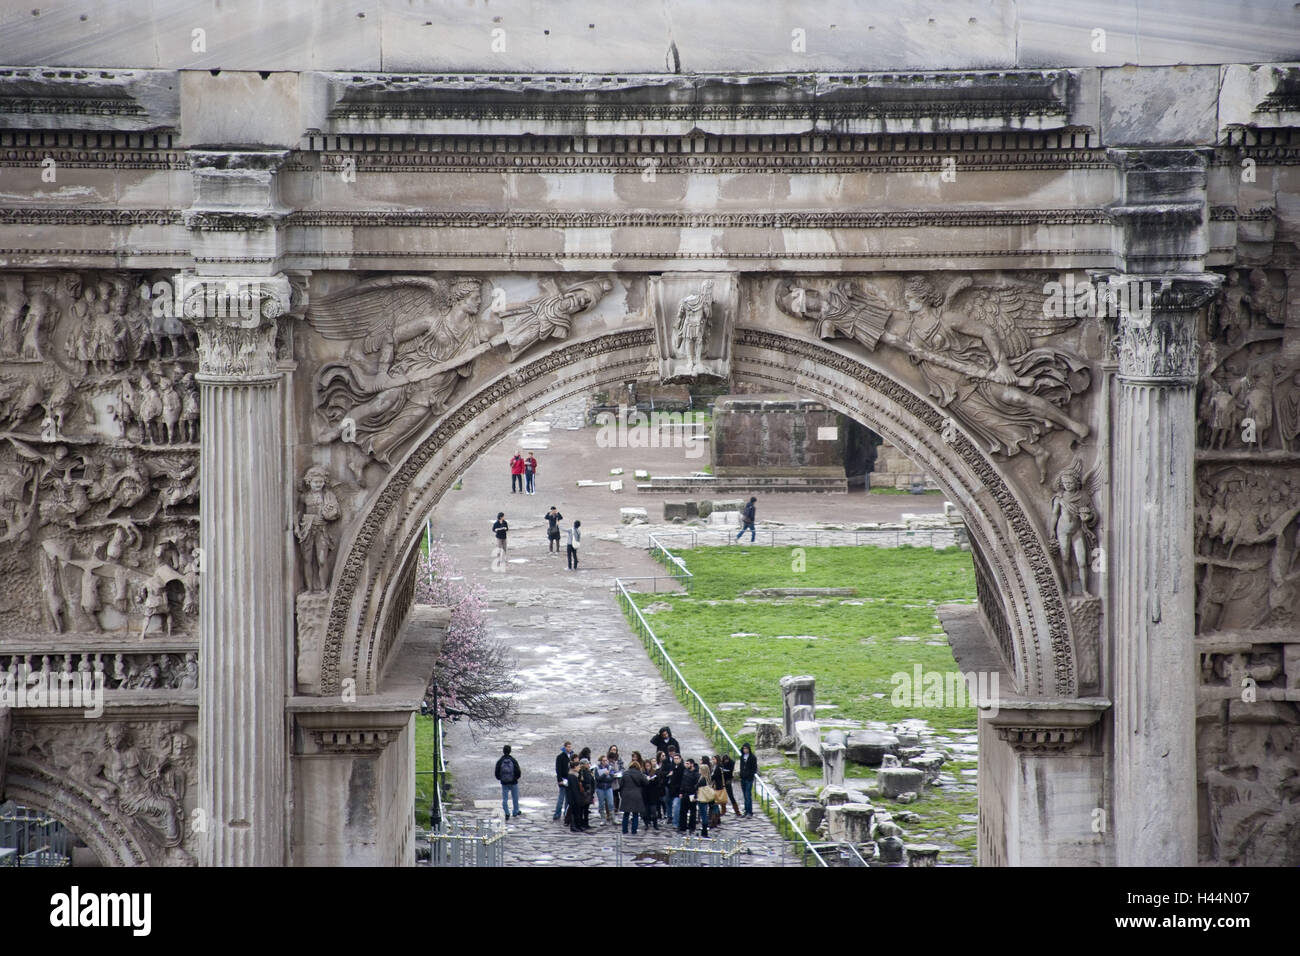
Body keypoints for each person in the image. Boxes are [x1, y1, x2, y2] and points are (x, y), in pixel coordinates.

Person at [620, 758, 649, 835]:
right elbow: (646, 783)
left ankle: (624, 830)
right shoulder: (640, 774)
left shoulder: (625, 774)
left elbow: (621, 785)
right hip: (636, 795)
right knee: (635, 814)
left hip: (626, 795)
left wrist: (622, 794)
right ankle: (634, 830)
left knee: (626, 814)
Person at [494, 744, 522, 820]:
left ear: (503, 751)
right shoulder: (513, 760)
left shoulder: (500, 761)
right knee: (515, 798)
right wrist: (516, 778)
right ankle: (515, 811)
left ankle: (506, 812)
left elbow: (496, 772)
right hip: (513, 782)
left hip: (504, 783)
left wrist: (500, 779)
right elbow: (518, 771)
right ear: (510, 751)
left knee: (505, 799)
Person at [678, 758, 701, 833]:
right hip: (685, 793)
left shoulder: (697, 774)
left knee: (693, 812)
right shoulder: (685, 771)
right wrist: (681, 792)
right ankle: (682, 827)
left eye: (687, 763)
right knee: (683, 811)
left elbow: (697, 786)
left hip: (692, 794)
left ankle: (692, 827)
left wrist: (695, 795)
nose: (686, 765)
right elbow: (682, 782)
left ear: (692, 764)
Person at [554, 741, 574, 821]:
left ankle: (566, 814)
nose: (569, 748)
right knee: (561, 798)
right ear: (565, 747)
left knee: (568, 799)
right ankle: (557, 814)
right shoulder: (560, 757)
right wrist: (559, 780)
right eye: (568, 747)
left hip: (570, 779)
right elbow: (558, 769)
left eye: (570, 747)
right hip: (563, 779)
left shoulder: (572, 756)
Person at [667, 751, 686, 829]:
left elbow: (683, 780)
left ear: (680, 759)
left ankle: (676, 823)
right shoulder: (672, 766)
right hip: (672, 790)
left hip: (679, 791)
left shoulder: (682, 768)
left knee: (676, 806)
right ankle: (674, 821)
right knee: (673, 806)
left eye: (677, 758)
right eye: (674, 758)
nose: (675, 760)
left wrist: (681, 791)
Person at [594, 755, 616, 823]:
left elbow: (612, 778)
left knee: (611, 803)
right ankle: (603, 819)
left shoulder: (610, 767)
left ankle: (613, 818)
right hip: (600, 788)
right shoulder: (597, 768)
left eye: (606, 760)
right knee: (601, 804)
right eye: (604, 760)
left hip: (608, 788)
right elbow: (597, 779)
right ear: (601, 761)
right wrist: (605, 775)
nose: (605, 762)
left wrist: (603, 778)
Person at [738, 742, 758, 816]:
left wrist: (750, 776)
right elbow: (741, 767)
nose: (745, 750)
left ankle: (750, 811)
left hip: (749, 779)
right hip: (743, 778)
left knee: (748, 794)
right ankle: (746, 810)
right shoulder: (742, 757)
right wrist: (741, 775)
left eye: (746, 748)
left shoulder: (753, 757)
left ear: (749, 749)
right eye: (744, 748)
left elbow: (754, 768)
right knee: (744, 795)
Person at [607, 745, 625, 812]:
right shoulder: (607, 758)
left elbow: (622, 768)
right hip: (611, 780)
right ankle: (612, 808)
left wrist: (620, 773)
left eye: (615, 750)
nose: (613, 751)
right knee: (612, 794)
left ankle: (617, 808)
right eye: (612, 749)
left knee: (618, 794)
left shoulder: (619, 759)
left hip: (619, 779)